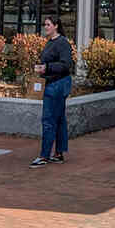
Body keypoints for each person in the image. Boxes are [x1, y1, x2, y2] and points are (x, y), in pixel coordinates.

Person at [30, 16, 73, 168]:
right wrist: (41, 67)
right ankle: (59, 153)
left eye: (48, 24)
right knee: (59, 119)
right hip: (51, 83)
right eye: (45, 24)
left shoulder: (62, 43)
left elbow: (66, 64)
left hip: (58, 85)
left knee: (48, 120)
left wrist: (47, 67)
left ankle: (44, 156)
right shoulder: (50, 42)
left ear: (56, 26)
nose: (45, 27)